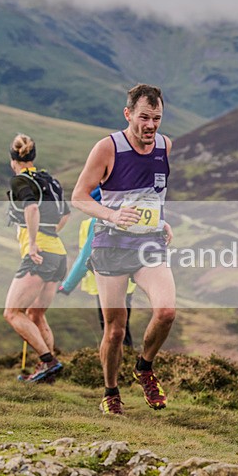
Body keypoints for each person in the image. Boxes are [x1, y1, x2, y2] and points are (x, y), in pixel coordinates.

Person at [72, 84, 175, 416]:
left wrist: (161, 220)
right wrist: (112, 214)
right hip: (111, 246)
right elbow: (79, 197)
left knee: (166, 311)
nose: (150, 125)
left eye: (156, 118)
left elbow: (153, 194)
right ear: (128, 114)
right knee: (115, 330)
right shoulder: (107, 148)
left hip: (148, 244)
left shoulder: (165, 146)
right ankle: (111, 391)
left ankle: (144, 368)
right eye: (144, 117)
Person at [3, 133, 71, 382]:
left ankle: (48, 360)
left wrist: (33, 243)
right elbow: (65, 213)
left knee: (12, 313)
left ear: (13, 159)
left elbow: (31, 208)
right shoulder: (48, 180)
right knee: (36, 314)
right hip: (58, 254)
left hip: (40, 255)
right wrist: (49, 233)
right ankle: (48, 373)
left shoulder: (20, 180)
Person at [59, 187, 135, 349]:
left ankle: (120, 361)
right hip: (126, 281)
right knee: (122, 327)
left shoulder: (96, 221)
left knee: (111, 329)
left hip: (105, 282)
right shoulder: (122, 216)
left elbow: (87, 255)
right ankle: (129, 359)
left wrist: (67, 285)